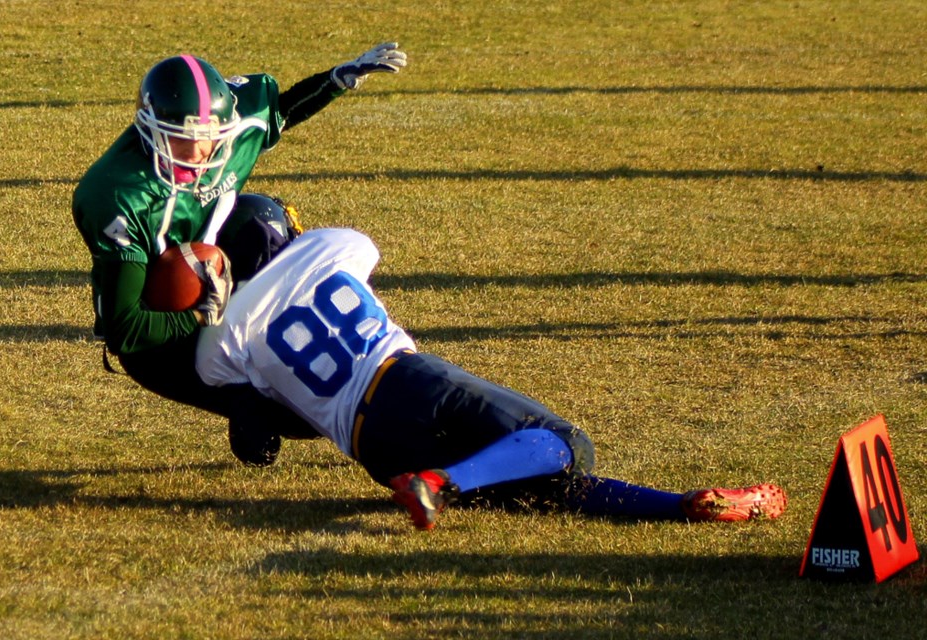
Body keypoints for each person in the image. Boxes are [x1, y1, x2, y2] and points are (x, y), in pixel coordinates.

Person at [194, 209, 789, 530]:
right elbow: (358, 250)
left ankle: (678, 505)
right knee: (565, 444)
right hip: (404, 379)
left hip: (371, 447)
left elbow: (247, 424)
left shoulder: (226, 335)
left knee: (545, 491)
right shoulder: (329, 246)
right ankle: (442, 484)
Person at [71, 44, 408, 463]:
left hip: (213, 268)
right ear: (150, 128)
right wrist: (197, 315)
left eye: (210, 139)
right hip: (160, 319)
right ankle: (244, 398)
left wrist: (334, 81)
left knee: (261, 220)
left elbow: (278, 113)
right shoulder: (119, 194)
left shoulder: (231, 129)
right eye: (183, 140)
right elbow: (127, 330)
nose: (201, 154)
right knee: (290, 416)